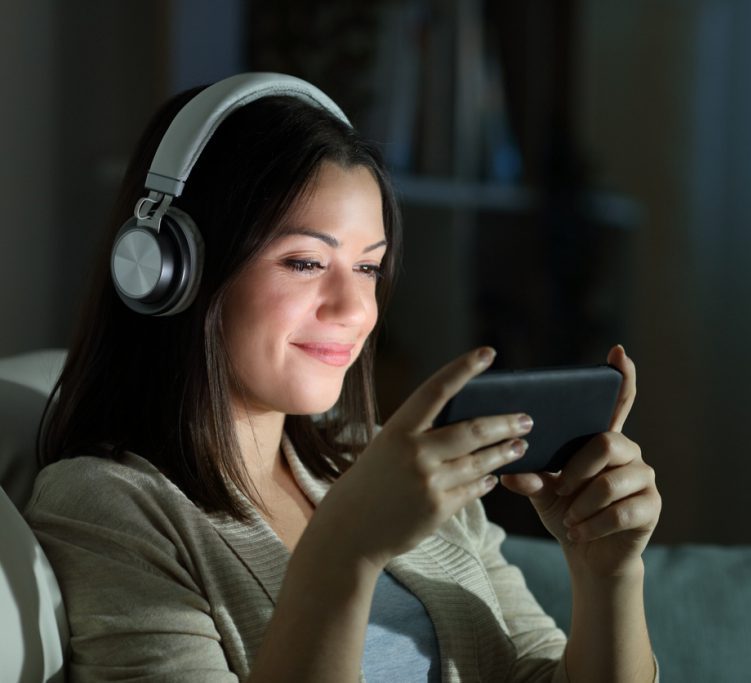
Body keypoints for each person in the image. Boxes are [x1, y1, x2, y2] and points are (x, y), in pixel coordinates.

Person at [25, 73, 661, 682]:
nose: (356, 310)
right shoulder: (108, 506)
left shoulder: (386, 463)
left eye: (368, 269)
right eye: (305, 262)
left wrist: (606, 574)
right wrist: (346, 551)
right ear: (166, 268)